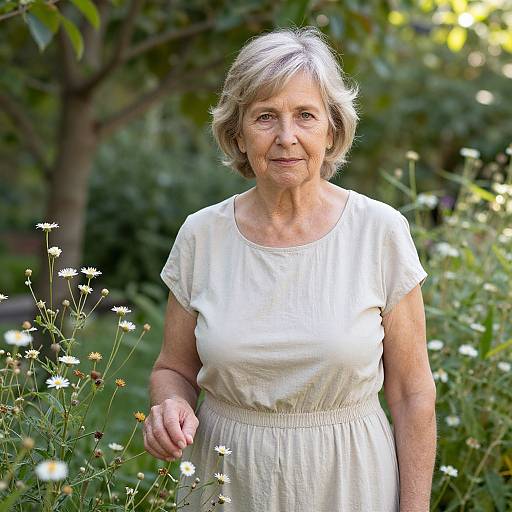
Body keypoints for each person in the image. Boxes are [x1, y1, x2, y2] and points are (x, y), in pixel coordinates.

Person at [145, 26, 437, 511]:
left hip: (349, 480)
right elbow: (173, 368)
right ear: (237, 133)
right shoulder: (201, 236)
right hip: (226, 481)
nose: (286, 137)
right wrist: (170, 404)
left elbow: (411, 393)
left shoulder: (379, 232)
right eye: (265, 117)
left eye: (305, 115)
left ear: (332, 129)